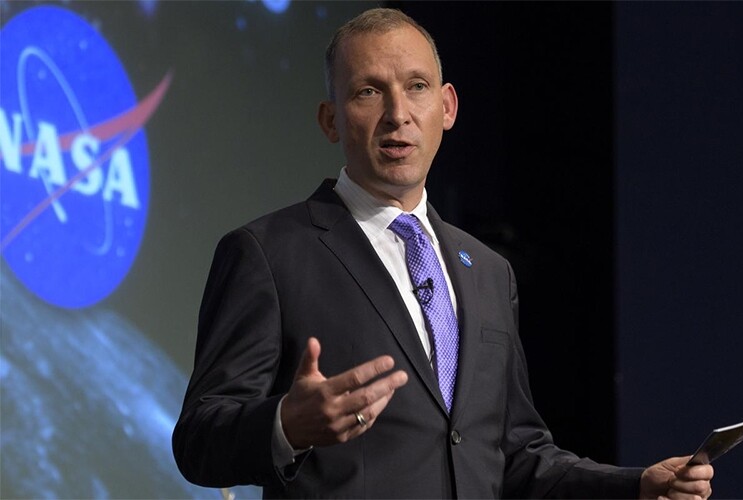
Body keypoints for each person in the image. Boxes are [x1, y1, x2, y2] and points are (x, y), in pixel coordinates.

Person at [172, 7, 714, 499]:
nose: (397, 113)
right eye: (367, 91)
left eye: (416, 87)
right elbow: (198, 438)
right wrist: (286, 424)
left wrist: (636, 486)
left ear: (447, 106)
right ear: (330, 119)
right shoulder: (267, 253)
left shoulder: (489, 272)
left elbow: (518, 455)